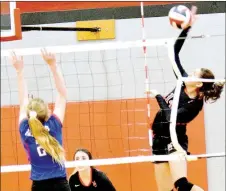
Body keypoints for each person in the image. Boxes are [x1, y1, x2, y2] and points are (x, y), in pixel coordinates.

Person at [149, 6, 224, 191]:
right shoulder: (182, 82)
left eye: (193, 73)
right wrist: (186, 29)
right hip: (159, 140)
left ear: (198, 84)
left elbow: (171, 118)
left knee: (181, 185)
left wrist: (158, 96)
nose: (188, 74)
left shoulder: (194, 105)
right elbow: (174, 53)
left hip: (175, 141)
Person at [10, 49, 71, 191]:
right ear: (47, 112)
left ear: (29, 112)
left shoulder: (25, 128)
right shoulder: (54, 124)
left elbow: (23, 100)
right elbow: (62, 94)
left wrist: (19, 71)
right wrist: (53, 65)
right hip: (60, 184)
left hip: (39, 186)